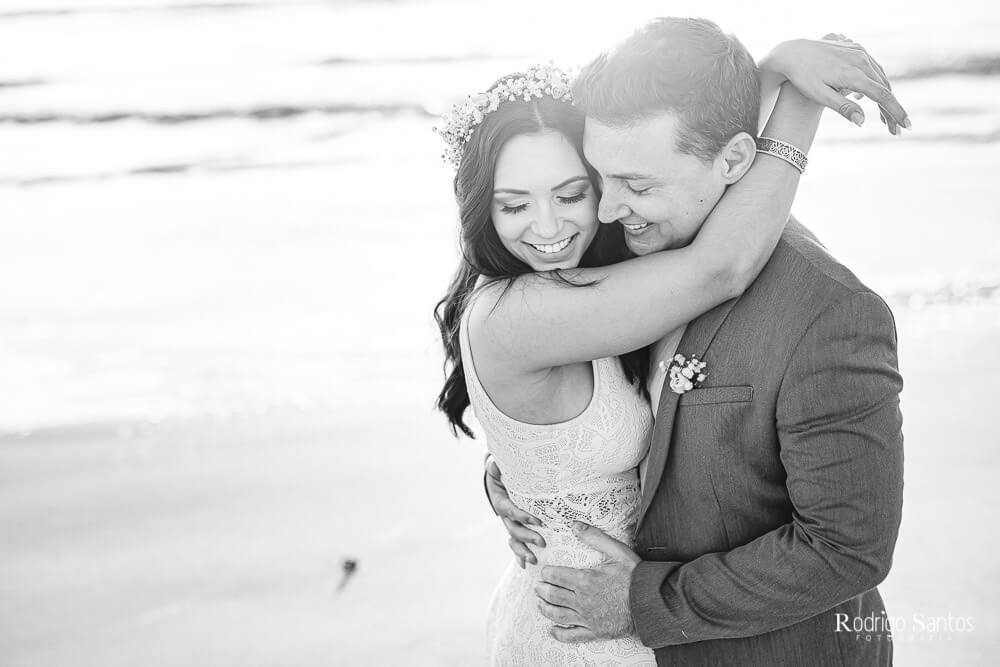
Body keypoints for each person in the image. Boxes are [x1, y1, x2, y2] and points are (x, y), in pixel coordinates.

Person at [481, 19, 906, 666]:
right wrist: (529, 472)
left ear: (735, 160)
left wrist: (646, 600)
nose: (602, 209)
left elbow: (848, 549)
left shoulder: (829, 313)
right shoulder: (619, 242)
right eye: (601, 176)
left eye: (638, 185)